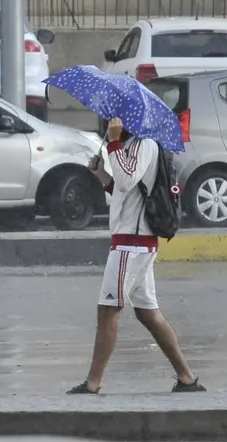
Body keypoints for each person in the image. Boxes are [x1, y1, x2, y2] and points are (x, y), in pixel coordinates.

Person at [67, 117, 206, 395]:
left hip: (132, 243)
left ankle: (92, 383)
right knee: (148, 314)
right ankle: (187, 378)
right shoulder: (131, 144)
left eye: (117, 116)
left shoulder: (145, 144)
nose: (111, 120)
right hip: (132, 240)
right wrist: (100, 173)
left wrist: (115, 143)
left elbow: (127, 179)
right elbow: (123, 188)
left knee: (108, 309)